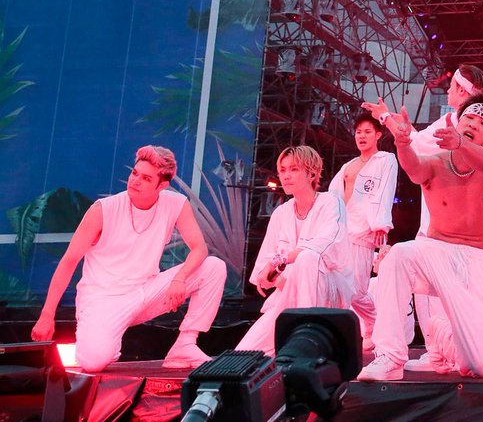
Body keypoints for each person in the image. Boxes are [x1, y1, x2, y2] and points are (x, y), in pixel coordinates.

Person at [358, 89, 483, 381]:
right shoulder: (437, 161)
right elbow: (414, 170)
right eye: (469, 119)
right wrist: (403, 143)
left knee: (479, 367)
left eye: (482, 123)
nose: (473, 124)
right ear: (457, 122)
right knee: (398, 256)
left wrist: (462, 145)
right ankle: (390, 357)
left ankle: (441, 333)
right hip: (436, 251)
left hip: (477, 263)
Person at [32, 145, 224, 372]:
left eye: (146, 178)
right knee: (93, 362)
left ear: (162, 186)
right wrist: (47, 315)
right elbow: (69, 261)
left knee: (213, 267)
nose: (135, 181)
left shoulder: (176, 203)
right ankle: (103, 341)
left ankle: (185, 343)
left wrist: (179, 278)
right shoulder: (102, 210)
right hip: (103, 299)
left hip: (146, 292)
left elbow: (199, 248)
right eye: (135, 173)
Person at [367, 65, 483, 361]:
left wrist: (386, 119)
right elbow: (418, 142)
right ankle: (437, 354)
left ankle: (452, 353)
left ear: (463, 90)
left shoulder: (464, 126)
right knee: (423, 288)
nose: (447, 90)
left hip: (453, 225)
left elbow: (419, 145)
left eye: (452, 86)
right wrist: (397, 124)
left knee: (445, 292)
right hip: (434, 219)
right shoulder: (451, 120)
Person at [239, 146, 353, 354]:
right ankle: (295, 340)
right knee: (246, 353)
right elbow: (264, 272)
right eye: (282, 170)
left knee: (308, 258)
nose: (286, 176)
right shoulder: (280, 213)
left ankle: (309, 336)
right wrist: (274, 274)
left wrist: (279, 262)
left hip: (328, 289)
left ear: (312, 174)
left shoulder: (331, 203)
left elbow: (325, 245)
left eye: (293, 169)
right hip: (288, 293)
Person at [328, 114, 397, 352]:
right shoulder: (348, 166)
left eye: (367, 132)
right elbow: (333, 196)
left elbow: (386, 191)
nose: (362, 136)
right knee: (337, 286)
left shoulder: (386, 160)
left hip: (364, 228)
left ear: (378, 135)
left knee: (356, 290)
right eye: (359, 132)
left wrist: (381, 224)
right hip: (341, 230)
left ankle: (378, 323)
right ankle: (364, 328)